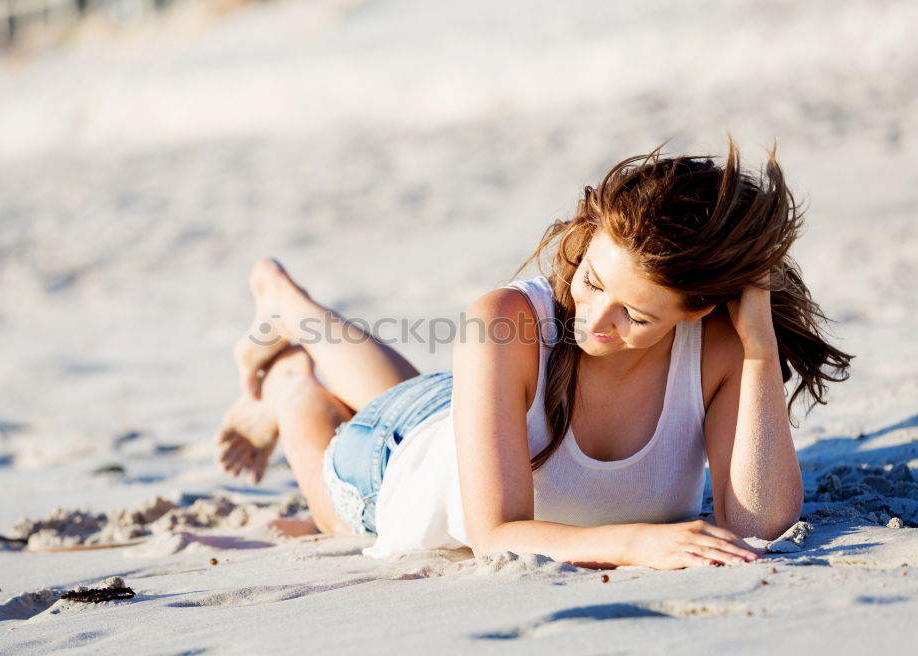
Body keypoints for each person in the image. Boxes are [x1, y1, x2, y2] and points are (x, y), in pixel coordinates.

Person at [215, 141, 852, 570]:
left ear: (698, 308)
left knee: (406, 398)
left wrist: (760, 351)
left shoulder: (718, 348)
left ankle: (290, 307)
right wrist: (639, 544)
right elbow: (493, 535)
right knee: (345, 448)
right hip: (388, 470)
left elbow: (761, 522)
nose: (594, 322)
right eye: (593, 283)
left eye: (633, 314)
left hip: (462, 414)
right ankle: (288, 375)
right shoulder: (505, 321)